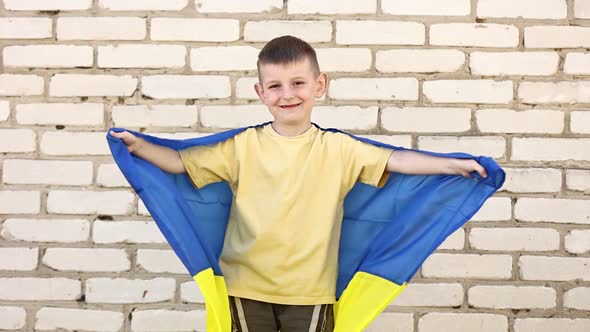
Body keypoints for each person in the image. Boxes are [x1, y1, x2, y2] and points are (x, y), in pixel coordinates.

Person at [110, 36, 490, 332]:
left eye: (297, 82)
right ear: (261, 93)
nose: (287, 94)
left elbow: (398, 160)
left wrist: (452, 166)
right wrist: (140, 147)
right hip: (244, 287)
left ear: (319, 84)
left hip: (310, 291)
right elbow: (180, 163)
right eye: (274, 86)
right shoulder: (242, 146)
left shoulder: (340, 149)